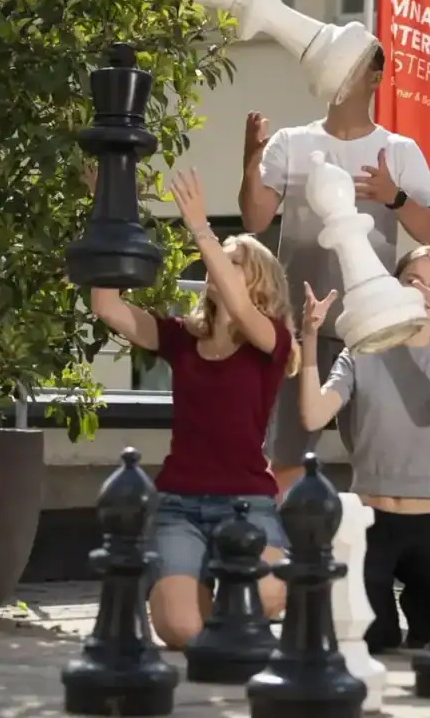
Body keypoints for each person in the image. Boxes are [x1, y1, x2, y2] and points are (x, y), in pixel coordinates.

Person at [88, 168, 292, 649]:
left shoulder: (272, 342)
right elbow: (106, 305)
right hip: (179, 504)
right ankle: (195, 596)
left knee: (266, 594)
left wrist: (199, 224)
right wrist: (107, 210)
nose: (219, 261)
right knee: (182, 632)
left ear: (257, 281)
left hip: (249, 505)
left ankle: (229, 605)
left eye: (234, 260)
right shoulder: (182, 339)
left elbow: (243, 311)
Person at [240, 45, 430, 495]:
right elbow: (254, 220)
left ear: (375, 79)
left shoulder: (399, 151)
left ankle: (370, 557)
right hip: (300, 330)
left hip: (373, 333)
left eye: (350, 64)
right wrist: (250, 167)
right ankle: (281, 557)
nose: (336, 71)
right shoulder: (291, 143)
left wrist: (394, 196)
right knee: (284, 459)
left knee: (377, 459)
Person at [296, 244, 430, 653]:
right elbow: (313, 415)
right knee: (372, 639)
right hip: (371, 521)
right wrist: (308, 337)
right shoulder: (361, 353)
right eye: (412, 281)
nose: (423, 292)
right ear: (394, 288)